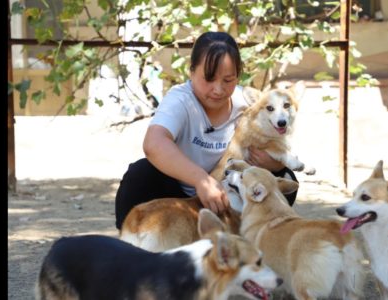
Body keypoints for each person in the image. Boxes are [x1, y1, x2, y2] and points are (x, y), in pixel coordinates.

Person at [114, 31, 299, 230]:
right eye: (209, 78)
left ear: (238, 76)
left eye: (228, 80)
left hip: (229, 196)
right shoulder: (180, 100)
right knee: (140, 174)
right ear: (191, 71)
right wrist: (201, 181)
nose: (218, 89)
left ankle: (256, 237)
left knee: (286, 178)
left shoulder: (250, 104)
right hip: (179, 195)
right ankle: (130, 243)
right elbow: (153, 144)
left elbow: (276, 139)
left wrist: (273, 163)